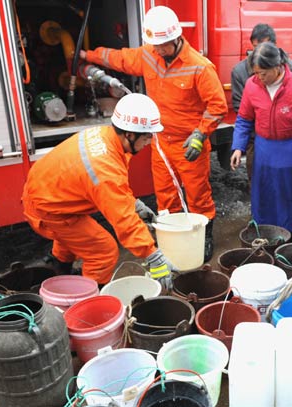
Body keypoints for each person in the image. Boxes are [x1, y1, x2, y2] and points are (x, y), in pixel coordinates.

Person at [80, 6, 228, 262]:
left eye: (162, 46)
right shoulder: (148, 55)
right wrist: (86, 55)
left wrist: (200, 134)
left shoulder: (199, 67)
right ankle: (170, 241)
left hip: (188, 144)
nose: (158, 50)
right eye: (155, 45)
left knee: (198, 195)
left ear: (176, 39)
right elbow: (120, 58)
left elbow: (218, 106)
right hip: (161, 144)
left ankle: (205, 237)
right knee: (165, 196)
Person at [22, 94, 174, 291]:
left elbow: (115, 192)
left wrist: (135, 205)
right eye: (147, 137)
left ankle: (60, 272)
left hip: (51, 193)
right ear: (130, 134)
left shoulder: (107, 137)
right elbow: (124, 221)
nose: (149, 143)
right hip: (49, 207)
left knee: (74, 240)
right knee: (103, 251)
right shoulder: (105, 167)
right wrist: (154, 256)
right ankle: (89, 304)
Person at [230, 42, 292, 241]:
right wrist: (238, 147)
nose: (259, 78)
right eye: (255, 73)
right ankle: (265, 234)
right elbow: (244, 119)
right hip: (264, 151)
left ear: (277, 67)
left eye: (263, 73)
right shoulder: (252, 85)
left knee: (290, 197)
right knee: (263, 196)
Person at [230, 23, 292, 185]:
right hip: (256, 139)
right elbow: (242, 113)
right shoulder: (240, 72)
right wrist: (239, 146)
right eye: (255, 47)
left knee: (284, 185)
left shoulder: (289, 68)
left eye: (264, 47)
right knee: (258, 184)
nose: (258, 52)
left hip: (284, 141)